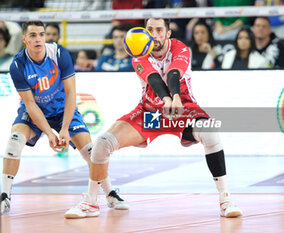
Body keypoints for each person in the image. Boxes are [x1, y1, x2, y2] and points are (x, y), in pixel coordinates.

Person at [65, 18, 242, 219]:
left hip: (183, 110)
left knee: (210, 132)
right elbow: (153, 79)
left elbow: (174, 73)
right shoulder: (138, 50)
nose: (154, 35)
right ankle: (91, 202)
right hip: (150, 114)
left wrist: (175, 99)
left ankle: (225, 199)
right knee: (103, 143)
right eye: (150, 30)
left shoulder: (181, 48)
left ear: (168, 33)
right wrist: (167, 99)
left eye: (159, 30)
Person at [0, 21, 129, 214]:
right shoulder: (18, 65)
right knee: (14, 141)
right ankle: (4, 196)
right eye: (33, 35)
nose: (38, 39)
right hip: (36, 110)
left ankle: (110, 193)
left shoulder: (59, 54)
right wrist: (49, 133)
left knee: (91, 151)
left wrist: (63, 129)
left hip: (62, 108)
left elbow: (71, 93)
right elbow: (30, 104)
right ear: (24, 39)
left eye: (41, 35)